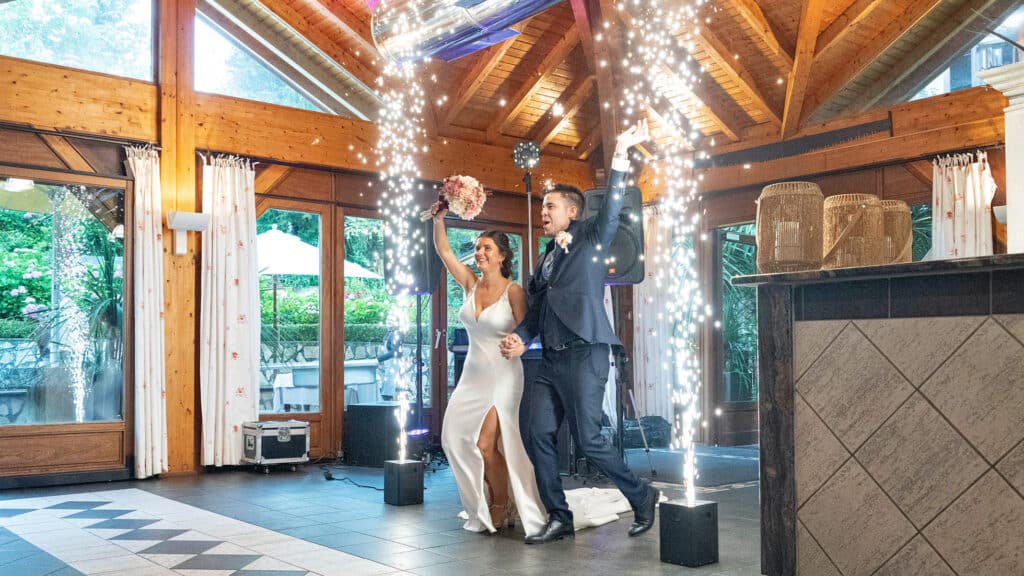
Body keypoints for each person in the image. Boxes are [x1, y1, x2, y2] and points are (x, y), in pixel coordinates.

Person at [500, 120, 659, 545]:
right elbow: (536, 313)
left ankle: (641, 494)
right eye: (543, 206)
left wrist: (621, 153)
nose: (544, 212)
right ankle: (560, 517)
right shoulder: (545, 258)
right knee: (537, 433)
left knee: (588, 441)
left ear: (572, 212)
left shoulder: (590, 236)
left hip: (586, 353)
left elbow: (612, 210)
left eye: (551, 206)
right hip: (550, 359)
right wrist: (520, 338)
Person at [433, 215, 547, 536]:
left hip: (504, 375)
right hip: (472, 376)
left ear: (502, 256)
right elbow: (445, 252)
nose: (479, 253)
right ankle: (488, 497)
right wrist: (439, 219)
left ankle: (499, 504)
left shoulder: (514, 292)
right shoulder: (470, 284)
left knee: (485, 444)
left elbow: (529, 332)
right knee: (453, 438)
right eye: (477, 248)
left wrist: (520, 345)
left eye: (487, 248)